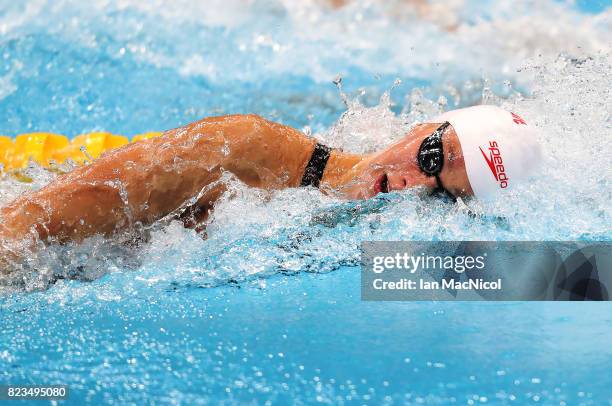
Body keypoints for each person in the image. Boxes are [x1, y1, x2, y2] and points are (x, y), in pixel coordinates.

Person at [0, 105, 541, 273]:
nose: (410, 183)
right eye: (429, 158)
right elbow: (21, 229)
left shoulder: (364, 234)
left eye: (440, 192)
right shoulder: (245, 148)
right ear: (422, 126)